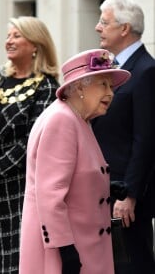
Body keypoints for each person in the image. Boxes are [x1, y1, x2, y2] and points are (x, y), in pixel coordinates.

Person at [0, 16, 60, 274]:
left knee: (11, 263)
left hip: (16, 189)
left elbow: (35, 139)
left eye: (16, 36)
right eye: (8, 36)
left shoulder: (47, 87)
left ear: (36, 44)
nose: (9, 41)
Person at [19, 48, 131, 274]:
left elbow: (72, 177)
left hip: (83, 243)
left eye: (111, 86)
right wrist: (65, 250)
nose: (111, 93)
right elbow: (50, 193)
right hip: (68, 250)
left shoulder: (77, 118)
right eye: (103, 85)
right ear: (80, 87)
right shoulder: (62, 120)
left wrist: (104, 187)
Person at [93, 0, 155, 274]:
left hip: (125, 199)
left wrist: (129, 194)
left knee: (132, 265)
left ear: (125, 29)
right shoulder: (110, 67)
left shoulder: (146, 71)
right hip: (102, 191)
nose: (97, 28)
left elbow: (147, 140)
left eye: (104, 22)